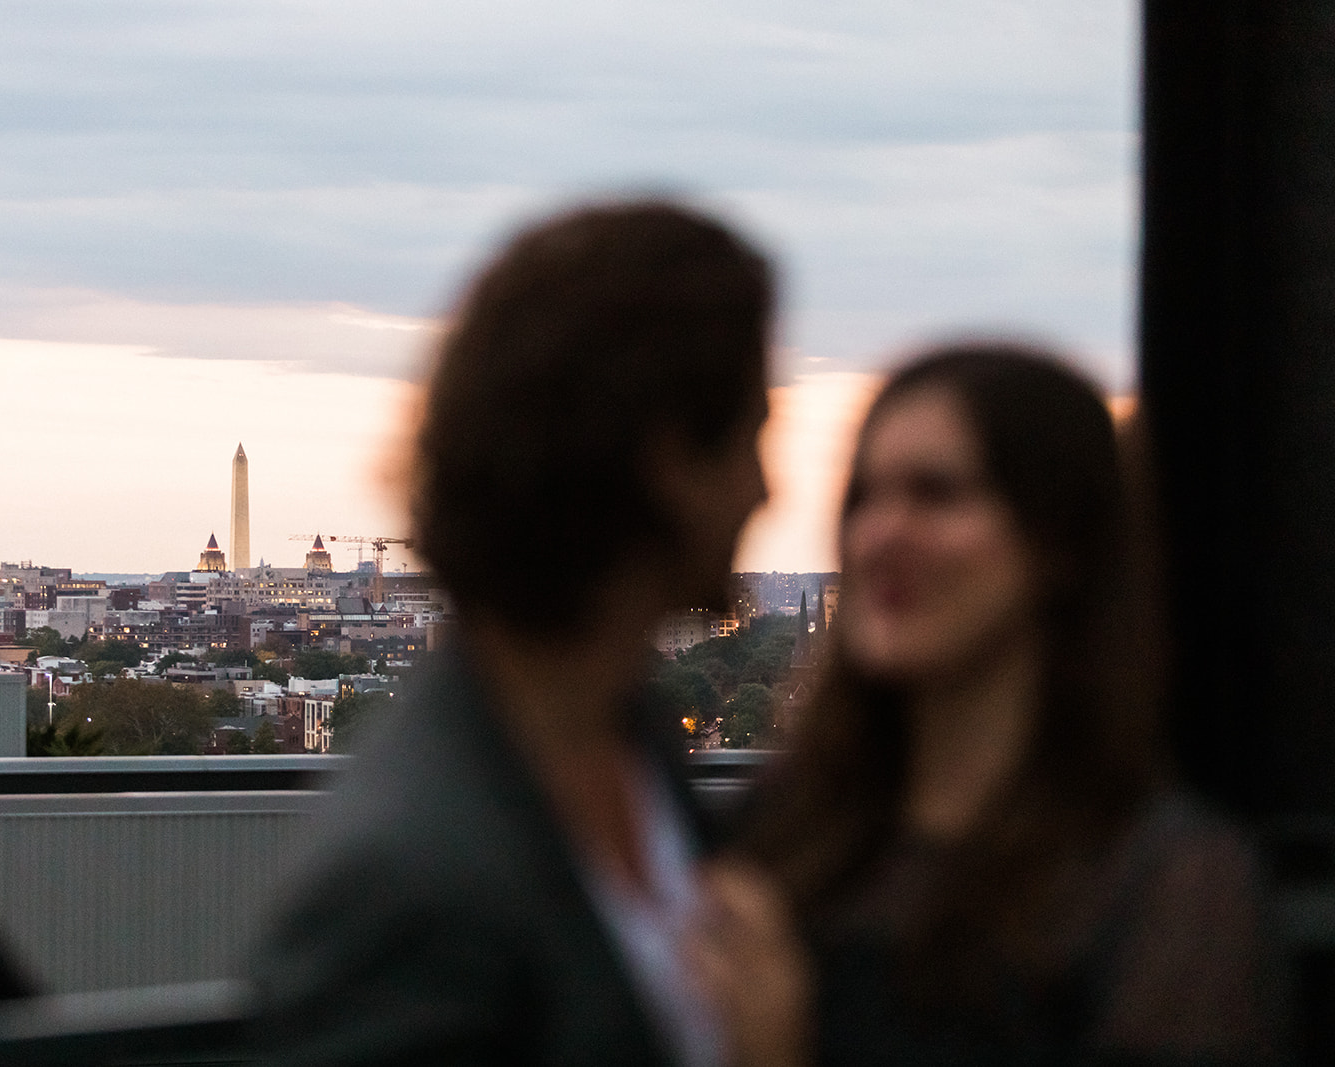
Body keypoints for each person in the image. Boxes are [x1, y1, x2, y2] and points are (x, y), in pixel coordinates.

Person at [249, 201, 803, 1066]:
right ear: (665, 459)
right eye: (750, 438)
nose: (767, 491)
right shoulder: (403, 887)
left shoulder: (629, 740)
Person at [734, 344, 1286, 1065]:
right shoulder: (774, 837)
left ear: (1058, 542)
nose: (882, 534)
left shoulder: (1167, 888)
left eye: (937, 493)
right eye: (863, 497)